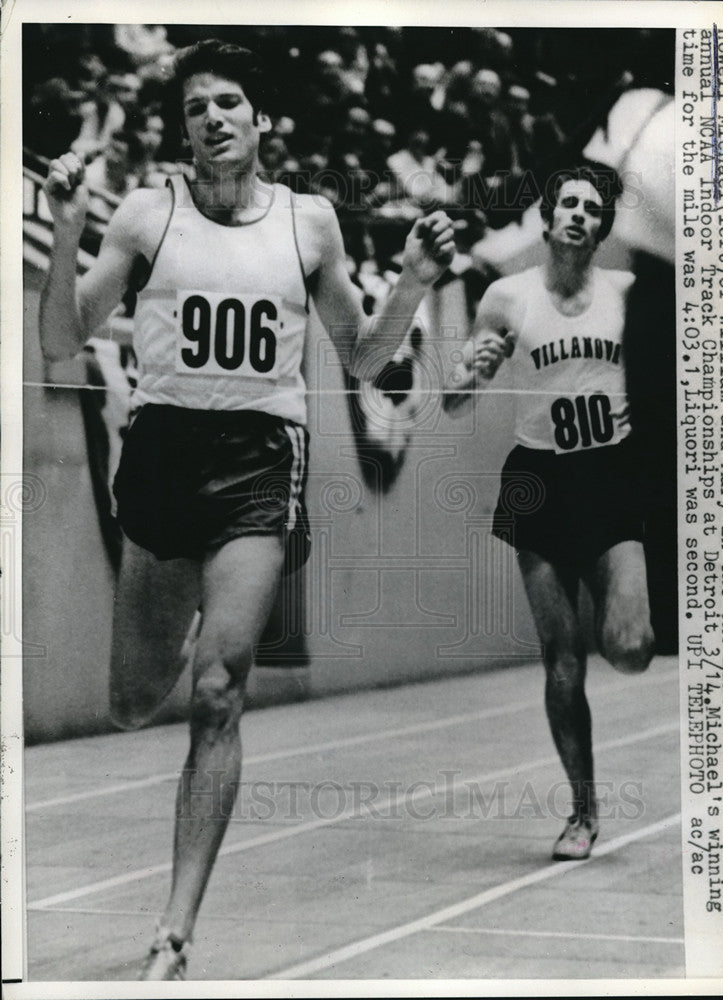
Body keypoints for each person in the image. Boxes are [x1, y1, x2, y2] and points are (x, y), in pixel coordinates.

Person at [39, 38, 454, 980]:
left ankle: (174, 931)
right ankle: (181, 620)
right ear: (183, 129)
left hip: (260, 461)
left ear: (262, 119)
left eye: (230, 103)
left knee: (222, 690)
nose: (214, 119)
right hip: (162, 456)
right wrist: (66, 226)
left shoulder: (309, 225)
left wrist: (417, 284)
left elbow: (360, 357)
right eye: (197, 109)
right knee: (133, 702)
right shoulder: (149, 213)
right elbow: (63, 336)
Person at [443, 163, 655, 862]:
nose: (576, 215)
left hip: (610, 476)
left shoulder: (629, 295)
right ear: (546, 217)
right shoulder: (507, 296)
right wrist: (468, 370)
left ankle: (621, 632)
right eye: (566, 203)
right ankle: (582, 812)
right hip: (538, 480)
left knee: (629, 647)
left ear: (602, 227)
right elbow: (454, 398)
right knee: (562, 662)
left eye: (591, 209)